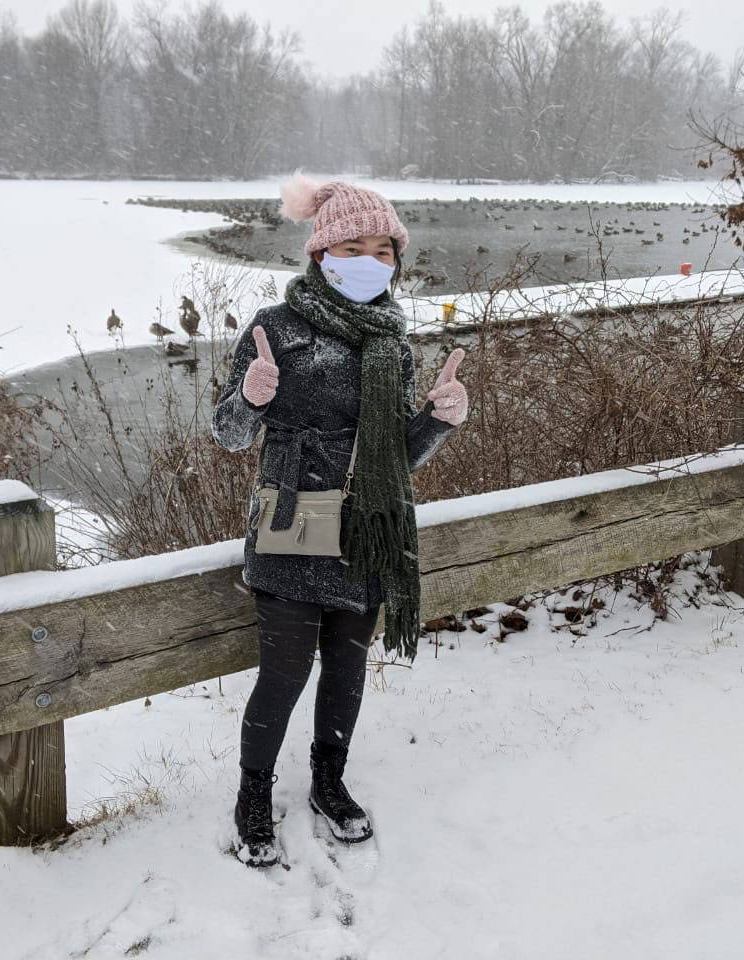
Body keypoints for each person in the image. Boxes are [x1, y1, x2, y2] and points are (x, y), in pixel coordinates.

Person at [210, 173, 470, 868]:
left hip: (363, 532)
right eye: (353, 245)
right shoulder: (275, 328)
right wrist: (251, 396)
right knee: (284, 673)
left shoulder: (395, 345)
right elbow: (230, 435)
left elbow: (396, 458)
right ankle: (254, 794)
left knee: (347, 670)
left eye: (383, 250)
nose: (369, 260)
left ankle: (329, 778)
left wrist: (436, 423)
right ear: (321, 252)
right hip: (290, 526)